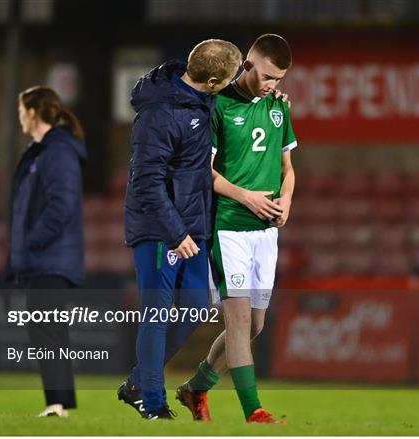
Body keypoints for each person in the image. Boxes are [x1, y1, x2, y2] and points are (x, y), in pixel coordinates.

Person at [117, 39, 242, 420]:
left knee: (193, 309)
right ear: (214, 80)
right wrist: (177, 233)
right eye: (231, 77)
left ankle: (139, 381)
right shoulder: (159, 114)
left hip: (193, 226)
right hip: (160, 229)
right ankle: (153, 402)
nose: (233, 83)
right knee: (156, 313)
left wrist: (272, 96)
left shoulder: (199, 97)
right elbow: (147, 183)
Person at [175, 34, 296, 424]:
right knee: (239, 322)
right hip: (229, 229)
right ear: (247, 65)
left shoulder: (279, 108)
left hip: (266, 233)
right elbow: (203, 172)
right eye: (266, 76)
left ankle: (195, 388)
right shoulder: (218, 106)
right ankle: (254, 411)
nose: (272, 85)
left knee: (255, 325)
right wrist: (246, 197)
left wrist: (286, 202)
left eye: (278, 79)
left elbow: (287, 170)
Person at [7, 86, 87, 417]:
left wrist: (34, 240)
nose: (19, 118)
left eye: (21, 111)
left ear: (33, 113)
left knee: (45, 330)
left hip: (50, 258)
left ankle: (57, 403)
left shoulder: (56, 153)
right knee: (49, 330)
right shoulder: (43, 151)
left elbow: (62, 204)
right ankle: (60, 403)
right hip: (46, 257)